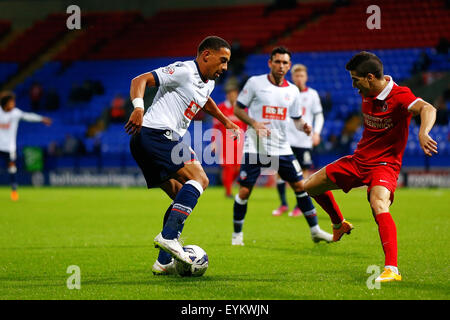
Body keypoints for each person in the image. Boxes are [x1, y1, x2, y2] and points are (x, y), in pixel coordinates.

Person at [304, 51, 438, 283]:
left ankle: (391, 269)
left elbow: (428, 108)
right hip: (359, 160)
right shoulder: (368, 90)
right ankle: (339, 224)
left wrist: (423, 132)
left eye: (356, 80)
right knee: (310, 186)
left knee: (378, 203)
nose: (355, 87)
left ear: (369, 77)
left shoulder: (400, 95)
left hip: (384, 165)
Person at [124, 36, 240, 275]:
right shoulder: (184, 70)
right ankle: (168, 238)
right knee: (201, 179)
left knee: (179, 195)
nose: (225, 68)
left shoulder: (207, 83)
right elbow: (140, 79)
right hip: (156, 133)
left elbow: (204, 101)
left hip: (148, 140)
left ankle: (163, 262)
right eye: (222, 61)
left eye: (227, 63)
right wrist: (138, 107)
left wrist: (226, 121)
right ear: (206, 55)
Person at [231, 47, 333, 246]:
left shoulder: (292, 90)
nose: (281, 66)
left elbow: (295, 118)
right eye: (277, 62)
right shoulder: (255, 83)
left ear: (289, 65)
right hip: (255, 147)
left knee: (301, 186)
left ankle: (315, 231)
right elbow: (238, 109)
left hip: (281, 148)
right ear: (270, 63)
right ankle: (237, 235)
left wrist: (303, 126)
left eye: (285, 63)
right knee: (244, 192)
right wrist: (254, 123)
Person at [272, 64, 325, 217]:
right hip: (285, 139)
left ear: (306, 77)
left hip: (304, 140)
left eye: (302, 76)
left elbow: (319, 115)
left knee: (303, 173)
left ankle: (298, 206)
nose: (299, 78)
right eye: (297, 76)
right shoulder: (286, 92)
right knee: (280, 172)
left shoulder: (313, 94)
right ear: (293, 77)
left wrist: (316, 133)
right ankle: (283, 204)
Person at [0, 91, 52, 201]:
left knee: (12, 168)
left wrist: (41, 119)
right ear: (5, 103)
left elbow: (28, 116)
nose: (13, 104)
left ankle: (14, 190)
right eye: (11, 102)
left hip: (9, 147)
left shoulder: (15, 113)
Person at [211, 78, 247, 198]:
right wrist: (214, 142)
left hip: (240, 142)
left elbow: (246, 126)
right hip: (225, 142)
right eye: (229, 93)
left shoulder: (242, 109)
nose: (231, 95)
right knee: (228, 167)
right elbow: (215, 127)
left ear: (237, 93)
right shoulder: (221, 108)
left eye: (233, 92)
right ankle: (228, 192)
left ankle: (230, 185)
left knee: (238, 167)